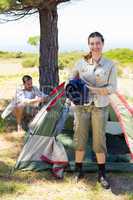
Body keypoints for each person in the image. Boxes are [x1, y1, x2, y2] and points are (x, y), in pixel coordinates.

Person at [69, 32, 117, 189]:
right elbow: (71, 81)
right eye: (92, 43)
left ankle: (102, 174)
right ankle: (78, 171)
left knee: (99, 141)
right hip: (81, 107)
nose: (95, 46)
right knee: (80, 138)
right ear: (88, 45)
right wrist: (74, 90)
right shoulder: (80, 63)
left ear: (102, 44)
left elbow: (112, 88)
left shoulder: (110, 64)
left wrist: (93, 89)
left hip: (100, 107)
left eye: (98, 43)